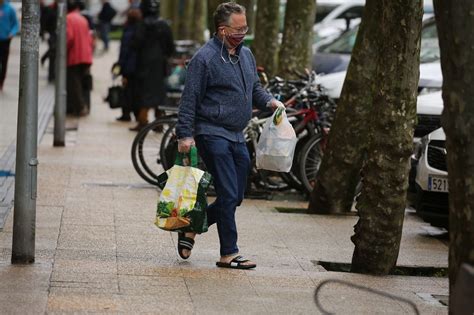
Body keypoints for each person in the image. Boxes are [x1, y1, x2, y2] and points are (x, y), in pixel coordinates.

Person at [175, 2, 283, 269]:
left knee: (235, 196)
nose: (243, 33)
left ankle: (191, 227)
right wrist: (184, 135)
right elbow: (189, 99)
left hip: (237, 134)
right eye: (238, 29)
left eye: (246, 27)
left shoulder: (246, 55)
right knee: (226, 191)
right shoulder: (205, 59)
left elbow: (254, 88)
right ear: (222, 30)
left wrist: (270, 102)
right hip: (212, 132)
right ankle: (229, 253)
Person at [129, 0, 174, 131]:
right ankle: (159, 123)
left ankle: (142, 121)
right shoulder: (164, 25)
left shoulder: (142, 25)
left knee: (144, 94)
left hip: (144, 64)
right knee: (159, 94)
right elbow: (170, 47)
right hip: (159, 65)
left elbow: (135, 44)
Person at [66, 0, 93, 116]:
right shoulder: (83, 19)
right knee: (84, 82)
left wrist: (63, 51)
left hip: (74, 55)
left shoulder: (68, 18)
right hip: (86, 55)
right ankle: (85, 105)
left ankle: (80, 108)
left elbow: (69, 37)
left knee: (74, 83)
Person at [116, 8, 141, 122]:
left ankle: (126, 113)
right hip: (139, 67)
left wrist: (120, 65)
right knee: (136, 91)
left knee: (127, 90)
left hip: (128, 67)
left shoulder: (128, 31)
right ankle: (136, 113)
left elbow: (124, 51)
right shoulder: (141, 30)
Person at [0, 0, 18, 91]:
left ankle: (1, 81)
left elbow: (15, 24)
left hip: (5, 40)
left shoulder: (10, 9)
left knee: (3, 62)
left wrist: (12, 33)